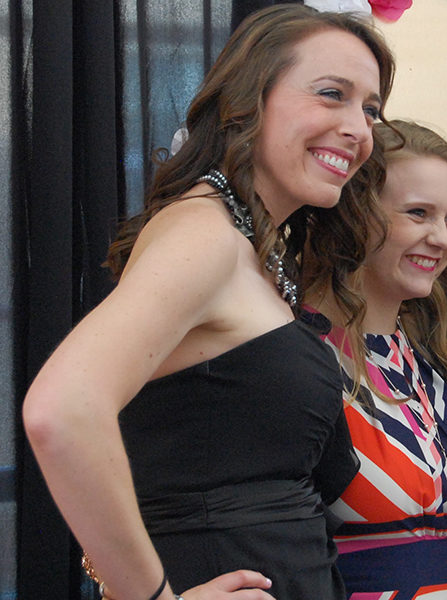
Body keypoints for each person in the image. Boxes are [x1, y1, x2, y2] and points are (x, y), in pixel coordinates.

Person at [22, 5, 395, 600]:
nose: (359, 128)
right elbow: (62, 410)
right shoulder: (205, 234)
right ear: (248, 101)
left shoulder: (254, 245)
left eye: (371, 109)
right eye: (332, 94)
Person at [304, 120, 447, 599]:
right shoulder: (301, 356)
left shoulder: (438, 360)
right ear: (355, 216)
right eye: (418, 213)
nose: (442, 238)